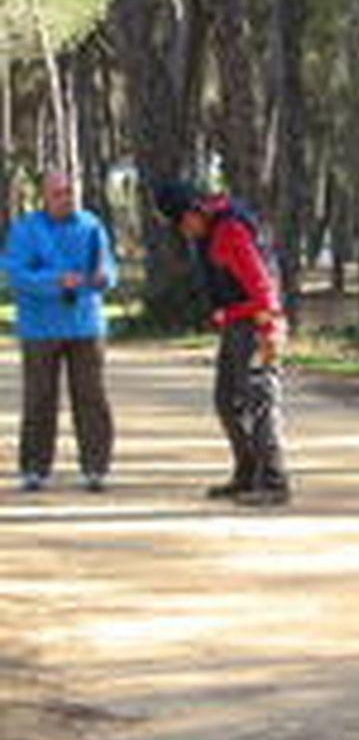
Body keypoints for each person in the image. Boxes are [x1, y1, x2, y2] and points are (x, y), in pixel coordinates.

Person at [151, 180, 291, 506]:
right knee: (227, 400)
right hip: (235, 322)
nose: (184, 232)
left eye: (182, 224)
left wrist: (268, 327)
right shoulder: (209, 230)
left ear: (194, 212)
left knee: (259, 400)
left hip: (257, 322)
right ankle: (247, 472)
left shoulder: (229, 229)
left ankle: (273, 480)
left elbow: (261, 280)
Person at [3, 170, 117, 492]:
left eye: (69, 192)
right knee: (39, 398)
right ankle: (35, 468)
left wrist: (103, 277)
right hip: (40, 328)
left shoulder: (91, 225)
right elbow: (15, 274)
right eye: (58, 193)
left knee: (91, 397)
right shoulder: (26, 230)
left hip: (86, 325)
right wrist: (56, 281)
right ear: (44, 195)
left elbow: (109, 267)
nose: (65, 199)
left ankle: (96, 467)